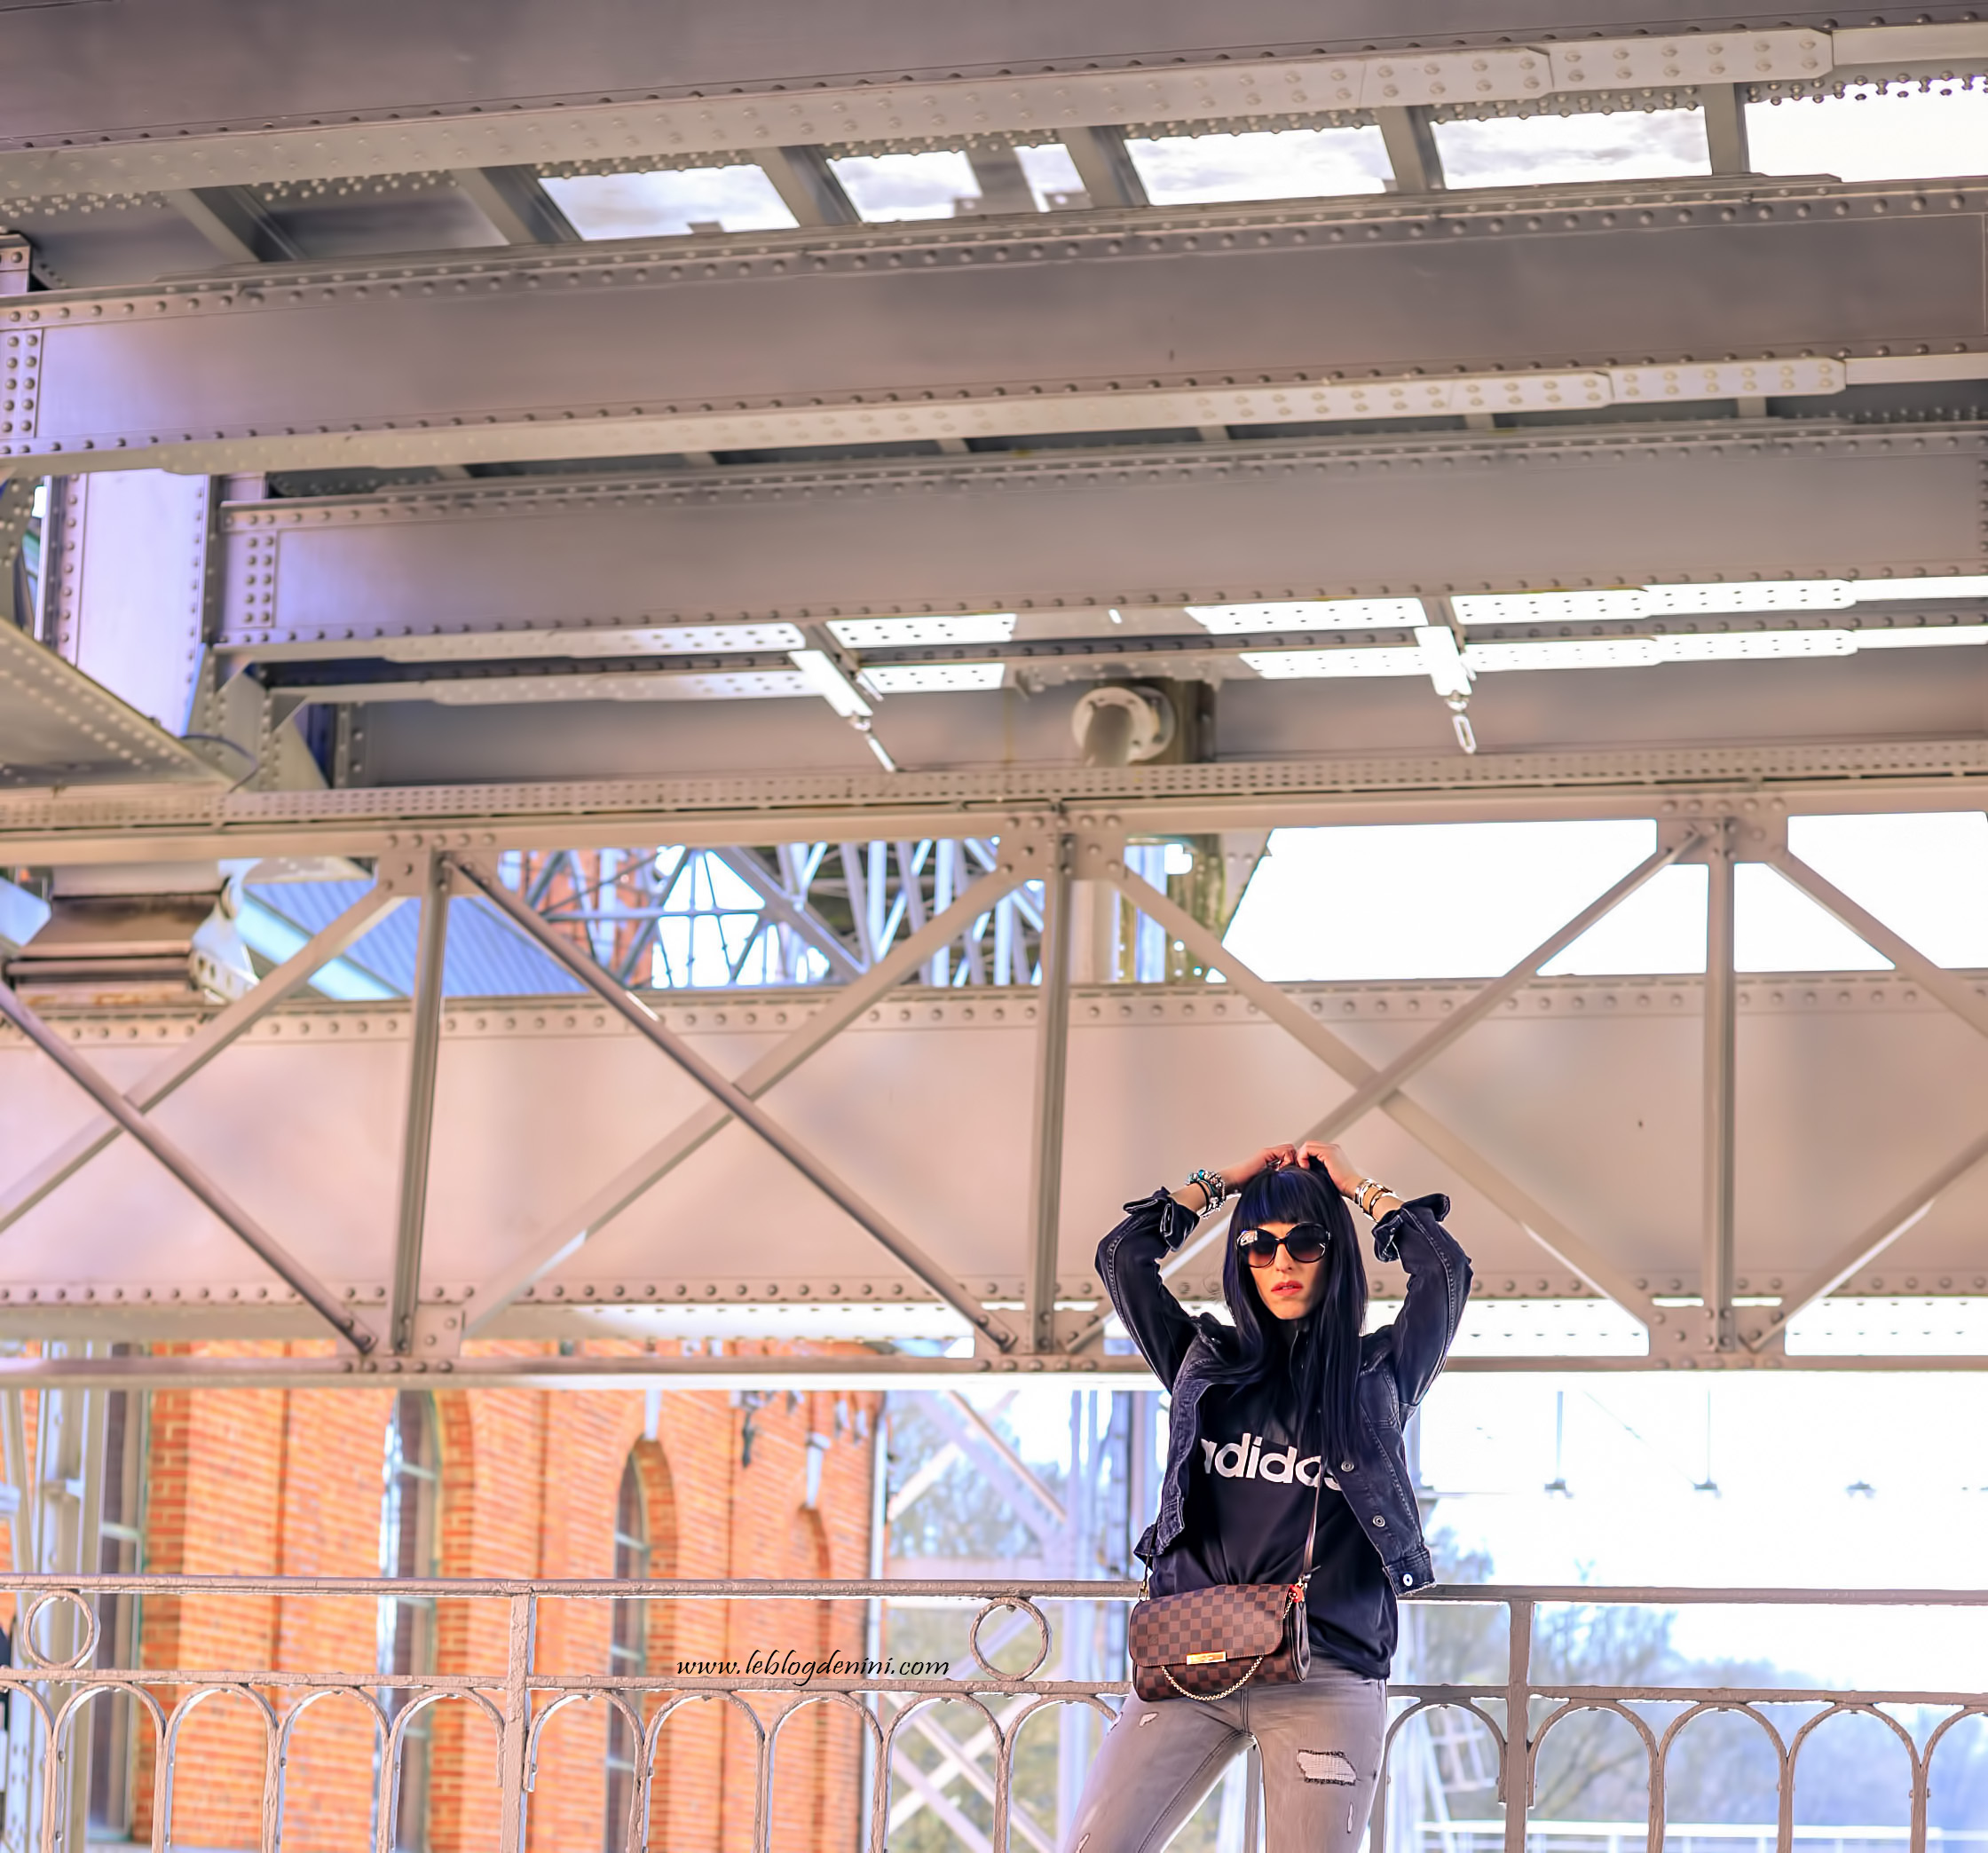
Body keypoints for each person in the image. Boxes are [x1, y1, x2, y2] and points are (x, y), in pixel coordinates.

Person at [1061, 1139, 1472, 1853]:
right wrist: (1222, 1182)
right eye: (1259, 1245)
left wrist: (1356, 1186)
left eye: (1305, 1243)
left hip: (1328, 1672)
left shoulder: (1377, 1374)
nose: (1281, 1263)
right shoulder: (1203, 1361)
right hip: (1191, 1661)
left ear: (1334, 1255)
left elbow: (1444, 1272)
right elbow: (1123, 1258)